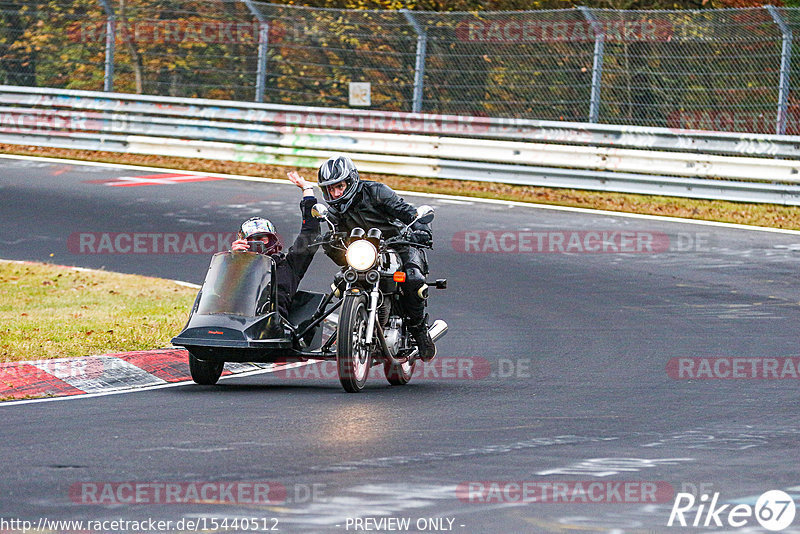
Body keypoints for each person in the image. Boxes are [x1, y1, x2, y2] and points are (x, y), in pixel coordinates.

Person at [316, 155, 437, 362]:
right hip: (364, 252)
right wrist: (329, 242)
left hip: (399, 243)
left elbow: (408, 213)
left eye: (340, 187)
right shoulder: (334, 209)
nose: (335, 193)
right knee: (339, 282)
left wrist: (421, 229)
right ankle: (347, 325)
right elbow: (338, 238)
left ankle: (419, 331)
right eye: (330, 189)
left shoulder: (377, 192)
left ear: (351, 181)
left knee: (413, 280)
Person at [231, 171, 320, 320]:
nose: (258, 244)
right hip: (237, 325)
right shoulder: (237, 268)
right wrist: (234, 261)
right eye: (252, 240)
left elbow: (310, 233)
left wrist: (307, 190)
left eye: (262, 239)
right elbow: (214, 299)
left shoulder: (289, 266)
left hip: (273, 330)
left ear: (272, 240)